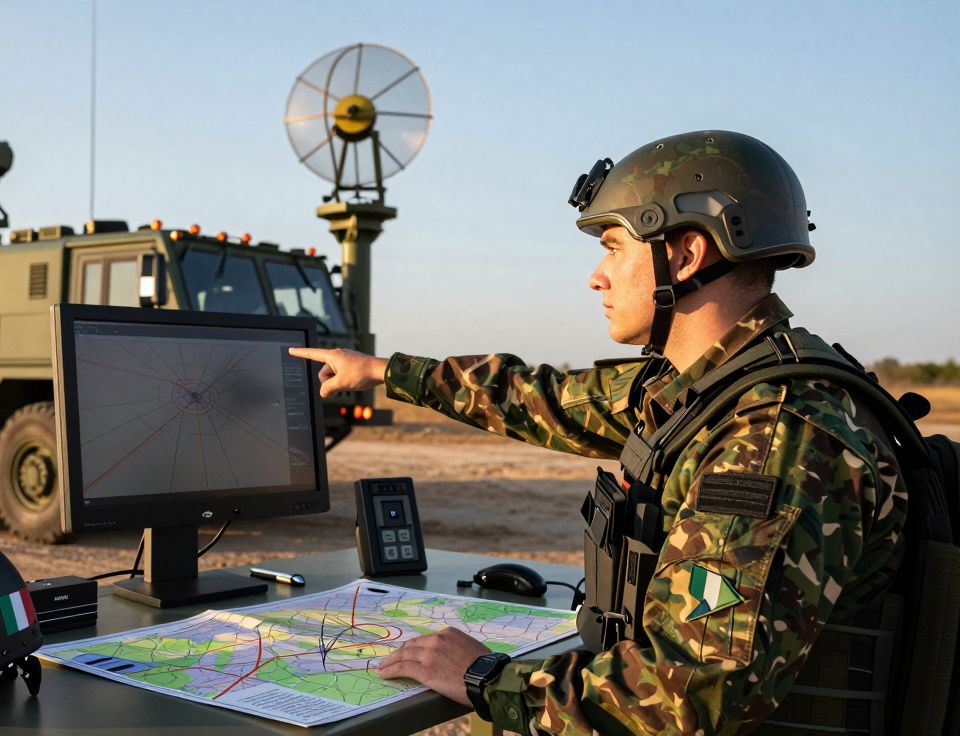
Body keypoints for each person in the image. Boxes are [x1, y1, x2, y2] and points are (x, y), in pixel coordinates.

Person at [289, 130, 908, 735]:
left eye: (614, 246)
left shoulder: (771, 436)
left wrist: (484, 678)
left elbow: (686, 699)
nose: (597, 276)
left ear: (686, 254)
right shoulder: (703, 391)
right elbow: (540, 397)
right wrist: (384, 372)